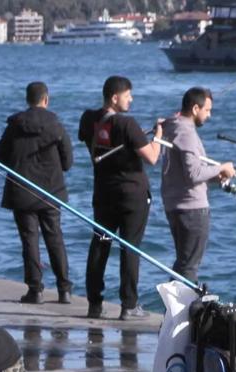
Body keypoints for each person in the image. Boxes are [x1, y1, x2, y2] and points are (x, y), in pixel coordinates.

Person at [77, 76, 162, 320]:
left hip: (103, 192)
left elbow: (92, 142)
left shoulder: (89, 119)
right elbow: (152, 158)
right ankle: (129, 305)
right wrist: (156, 137)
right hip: (132, 195)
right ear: (115, 97)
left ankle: (94, 303)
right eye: (128, 95)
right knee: (130, 247)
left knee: (100, 244)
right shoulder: (128, 124)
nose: (131, 99)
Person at [0, 81, 74, 304]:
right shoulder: (56, 125)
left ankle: (35, 290)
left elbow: (0, 156)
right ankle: (64, 290)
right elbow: (68, 162)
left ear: (27, 100)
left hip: (21, 192)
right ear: (46, 100)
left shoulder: (14, 125)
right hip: (51, 192)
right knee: (55, 238)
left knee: (30, 241)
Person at [160, 87, 236, 283]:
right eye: (207, 110)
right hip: (192, 209)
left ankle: (175, 310)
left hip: (175, 205)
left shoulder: (172, 128)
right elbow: (193, 174)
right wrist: (221, 168)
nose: (209, 115)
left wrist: (213, 176)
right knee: (189, 266)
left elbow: (185, 172)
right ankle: (179, 311)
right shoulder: (187, 134)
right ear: (195, 108)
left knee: (183, 263)